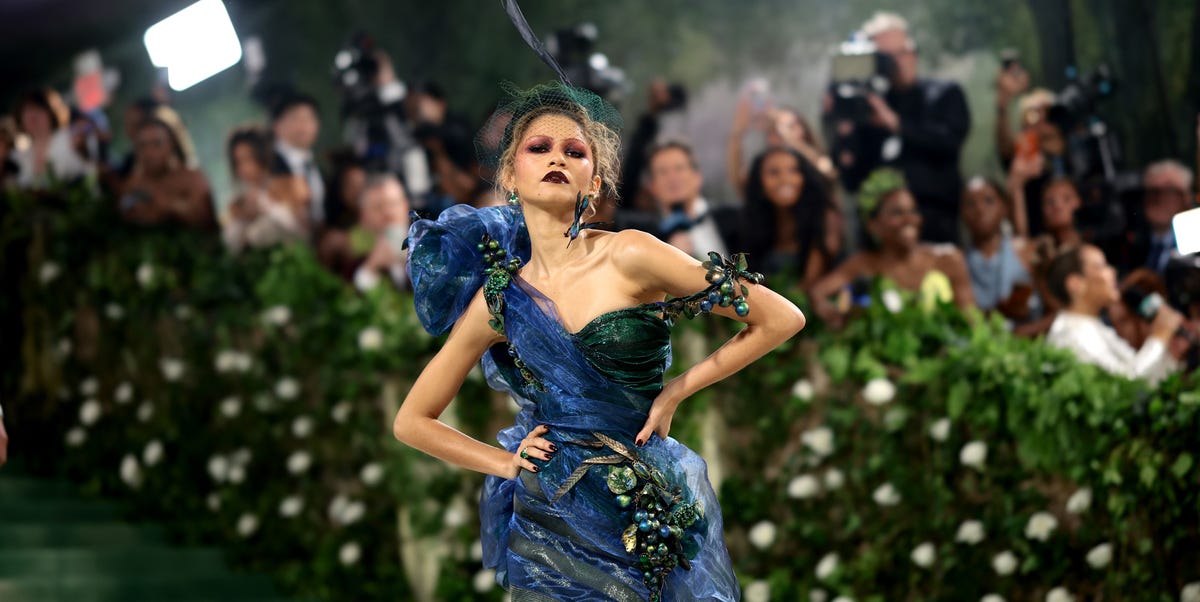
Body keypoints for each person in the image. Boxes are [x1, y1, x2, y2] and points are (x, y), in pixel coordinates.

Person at [393, 82, 805, 601]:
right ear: (509, 176)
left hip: (638, 509)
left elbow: (781, 317)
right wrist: (504, 463)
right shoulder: (499, 298)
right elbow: (411, 421)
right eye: (538, 148)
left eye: (575, 151)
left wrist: (676, 390)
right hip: (547, 518)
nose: (557, 159)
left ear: (596, 180)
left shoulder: (631, 254)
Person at [825, 12, 971, 244]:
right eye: (886, 57)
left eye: (901, 53)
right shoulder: (866, 109)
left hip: (935, 225)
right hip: (878, 239)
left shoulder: (944, 93)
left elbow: (949, 141)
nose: (896, 63)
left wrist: (896, 124)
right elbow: (851, 180)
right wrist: (843, 124)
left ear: (913, 52)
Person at [811, 168, 974, 327]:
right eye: (897, 213)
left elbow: (972, 321)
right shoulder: (863, 265)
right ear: (873, 225)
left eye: (913, 210)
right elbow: (818, 293)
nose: (909, 219)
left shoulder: (948, 259)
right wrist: (835, 312)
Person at [1045, 244, 1185, 385]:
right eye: (1101, 266)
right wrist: (1159, 337)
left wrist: (1172, 353)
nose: (1113, 271)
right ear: (1075, 284)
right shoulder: (1071, 334)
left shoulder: (1091, 325)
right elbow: (1124, 387)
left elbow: (1144, 379)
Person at [740, 147, 840, 289]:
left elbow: (809, 284)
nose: (785, 179)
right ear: (759, 181)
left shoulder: (824, 216)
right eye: (774, 172)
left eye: (794, 170)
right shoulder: (755, 219)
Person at [221, 126, 308, 252]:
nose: (243, 168)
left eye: (248, 159)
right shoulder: (237, 204)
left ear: (262, 156)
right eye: (238, 162)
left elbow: (303, 231)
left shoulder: (291, 185)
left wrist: (266, 206)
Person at [319, 173, 411, 291]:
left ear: (406, 207)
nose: (388, 213)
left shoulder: (430, 248)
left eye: (393, 204)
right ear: (364, 217)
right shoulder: (351, 264)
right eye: (378, 207)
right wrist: (371, 267)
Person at [961, 175, 1036, 319]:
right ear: (962, 213)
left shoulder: (1025, 251)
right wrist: (1002, 310)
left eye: (988, 201)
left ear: (1004, 208)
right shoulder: (957, 262)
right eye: (970, 203)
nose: (980, 209)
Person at [118, 117, 214, 228]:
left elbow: (204, 219)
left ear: (171, 144)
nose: (149, 152)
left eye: (157, 144)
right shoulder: (133, 184)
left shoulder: (193, 177)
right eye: (143, 146)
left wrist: (168, 206)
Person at [643, 141, 731, 261]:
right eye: (662, 172)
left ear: (697, 177)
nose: (672, 178)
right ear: (652, 186)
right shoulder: (646, 239)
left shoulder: (733, 218)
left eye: (679, 168)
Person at [1121, 160, 1194, 275]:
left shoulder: (1195, 243)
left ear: (1186, 198)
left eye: (1169, 191)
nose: (1158, 199)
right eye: (1152, 191)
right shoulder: (1130, 245)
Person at [10, 88, 92, 188]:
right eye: (26, 111)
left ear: (51, 113)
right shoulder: (20, 156)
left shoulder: (70, 138)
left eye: (38, 109)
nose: (32, 116)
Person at [269, 93, 325, 226]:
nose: (304, 126)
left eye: (309, 118)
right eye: (296, 118)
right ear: (277, 125)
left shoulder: (311, 164)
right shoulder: (268, 165)